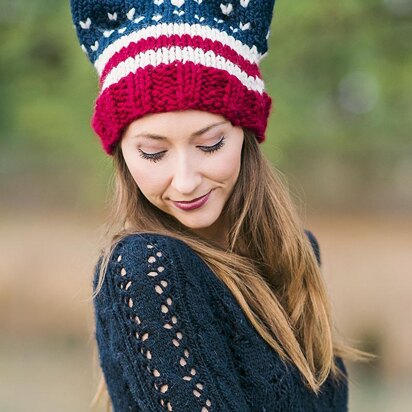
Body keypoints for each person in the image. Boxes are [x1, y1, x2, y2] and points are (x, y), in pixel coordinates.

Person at [70, 1, 369, 411]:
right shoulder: (145, 268)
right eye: (153, 153)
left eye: (210, 144)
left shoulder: (296, 257)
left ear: (246, 133)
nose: (186, 180)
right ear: (122, 154)